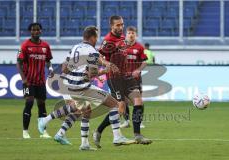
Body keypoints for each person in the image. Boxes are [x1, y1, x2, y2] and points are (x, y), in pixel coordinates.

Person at [38, 26, 134, 150]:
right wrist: (104, 70)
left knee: (85, 111)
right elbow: (91, 75)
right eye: (96, 38)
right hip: (82, 88)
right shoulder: (92, 51)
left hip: (70, 86)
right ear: (92, 37)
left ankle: (84, 144)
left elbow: (64, 69)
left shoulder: (75, 48)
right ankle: (117, 136)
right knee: (114, 104)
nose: (97, 40)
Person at [93, 17, 152, 148]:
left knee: (139, 101)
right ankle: (98, 130)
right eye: (118, 25)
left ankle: (137, 134)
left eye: (122, 25)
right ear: (111, 26)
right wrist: (107, 64)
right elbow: (99, 58)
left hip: (126, 76)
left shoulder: (123, 38)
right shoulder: (108, 40)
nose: (121, 27)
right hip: (114, 78)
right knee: (120, 108)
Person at [16, 22, 54, 139]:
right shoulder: (25, 46)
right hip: (29, 81)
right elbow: (19, 63)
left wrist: (50, 68)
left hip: (40, 81)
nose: (36, 31)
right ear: (30, 31)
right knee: (29, 103)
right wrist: (24, 79)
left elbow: (48, 60)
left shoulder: (45, 46)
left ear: (41, 31)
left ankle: (43, 132)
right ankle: (25, 131)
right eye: (33, 30)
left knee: (42, 106)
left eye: (38, 29)